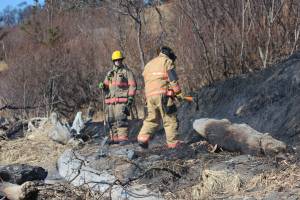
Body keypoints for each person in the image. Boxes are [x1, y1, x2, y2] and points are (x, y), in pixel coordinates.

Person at [137, 46, 184, 149]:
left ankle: (142, 138)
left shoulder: (149, 64)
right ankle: (173, 144)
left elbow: (147, 80)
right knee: (169, 119)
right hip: (163, 95)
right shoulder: (167, 61)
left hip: (149, 96)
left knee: (152, 119)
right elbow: (173, 80)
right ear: (168, 54)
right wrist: (179, 94)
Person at [98, 50, 137, 145]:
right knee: (111, 121)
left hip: (121, 102)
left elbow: (133, 85)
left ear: (121, 60)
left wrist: (131, 98)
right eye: (116, 60)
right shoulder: (109, 74)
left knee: (121, 121)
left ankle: (123, 140)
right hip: (111, 103)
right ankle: (114, 140)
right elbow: (106, 85)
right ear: (113, 61)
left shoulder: (127, 72)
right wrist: (103, 85)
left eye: (119, 60)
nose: (118, 61)